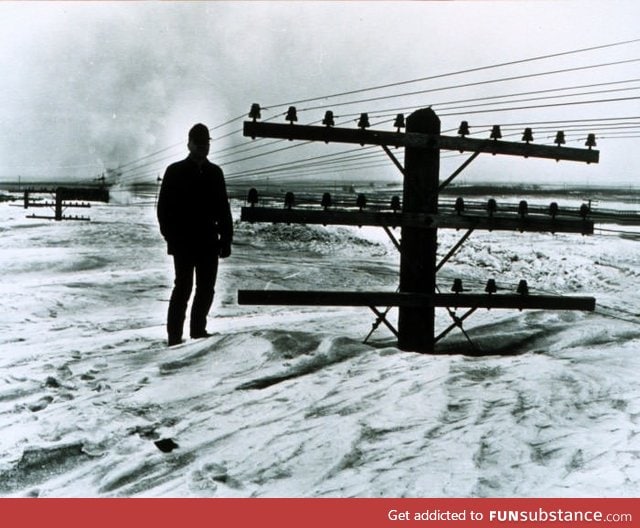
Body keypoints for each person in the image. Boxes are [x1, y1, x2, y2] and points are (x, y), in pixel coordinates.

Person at [157, 123, 233, 346]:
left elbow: (223, 209)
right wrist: (171, 237)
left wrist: (226, 239)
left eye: (206, 144)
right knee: (183, 287)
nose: (203, 148)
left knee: (206, 288)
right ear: (189, 144)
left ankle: (198, 331)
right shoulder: (175, 171)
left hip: (209, 241)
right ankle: (174, 337)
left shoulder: (215, 173)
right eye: (199, 144)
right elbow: (164, 210)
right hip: (184, 242)